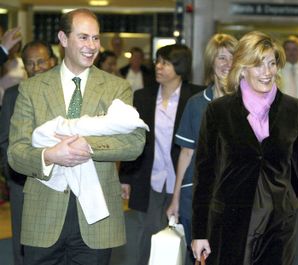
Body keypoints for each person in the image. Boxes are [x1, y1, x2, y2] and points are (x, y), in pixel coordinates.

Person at [7, 8, 146, 265]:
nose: (91, 46)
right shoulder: (32, 89)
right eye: (83, 37)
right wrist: (49, 155)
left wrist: (86, 146)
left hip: (96, 219)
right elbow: (16, 153)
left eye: (95, 38)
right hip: (43, 217)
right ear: (62, 38)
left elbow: (134, 143)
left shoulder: (117, 87)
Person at [191, 31, 298, 265]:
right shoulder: (219, 111)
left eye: (272, 63)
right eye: (259, 65)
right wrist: (199, 232)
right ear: (242, 67)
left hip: (278, 226)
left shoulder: (293, 109)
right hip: (231, 221)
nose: (268, 72)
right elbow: (205, 174)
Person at [119, 44, 204, 265]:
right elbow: (133, 139)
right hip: (151, 178)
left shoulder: (195, 98)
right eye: (157, 61)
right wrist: (125, 178)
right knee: (148, 237)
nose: (158, 66)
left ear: (180, 66)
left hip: (185, 181)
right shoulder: (143, 97)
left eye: (165, 63)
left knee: (185, 238)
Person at [166, 33, 237, 264]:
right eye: (221, 58)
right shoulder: (196, 103)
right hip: (194, 195)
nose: (227, 64)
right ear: (211, 63)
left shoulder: (249, 104)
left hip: (234, 196)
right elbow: (185, 153)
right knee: (197, 258)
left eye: (232, 58)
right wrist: (175, 199)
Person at [0, 40, 56, 265]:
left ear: (52, 62)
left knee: (55, 241)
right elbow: (3, 138)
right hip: (21, 181)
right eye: (30, 63)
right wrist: (11, 171)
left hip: (58, 180)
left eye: (41, 62)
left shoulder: (68, 93)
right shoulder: (13, 94)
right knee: (22, 244)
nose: (36, 68)